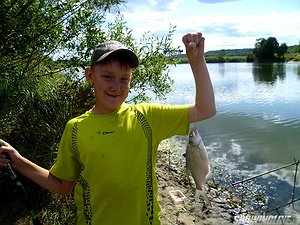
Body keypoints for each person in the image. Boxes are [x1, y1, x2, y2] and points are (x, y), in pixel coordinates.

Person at [0, 32, 216, 225]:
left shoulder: (147, 116)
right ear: (90, 76)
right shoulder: (75, 128)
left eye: (124, 79)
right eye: (107, 77)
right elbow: (62, 186)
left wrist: (197, 61)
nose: (116, 87)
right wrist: (18, 161)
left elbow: (205, 109)